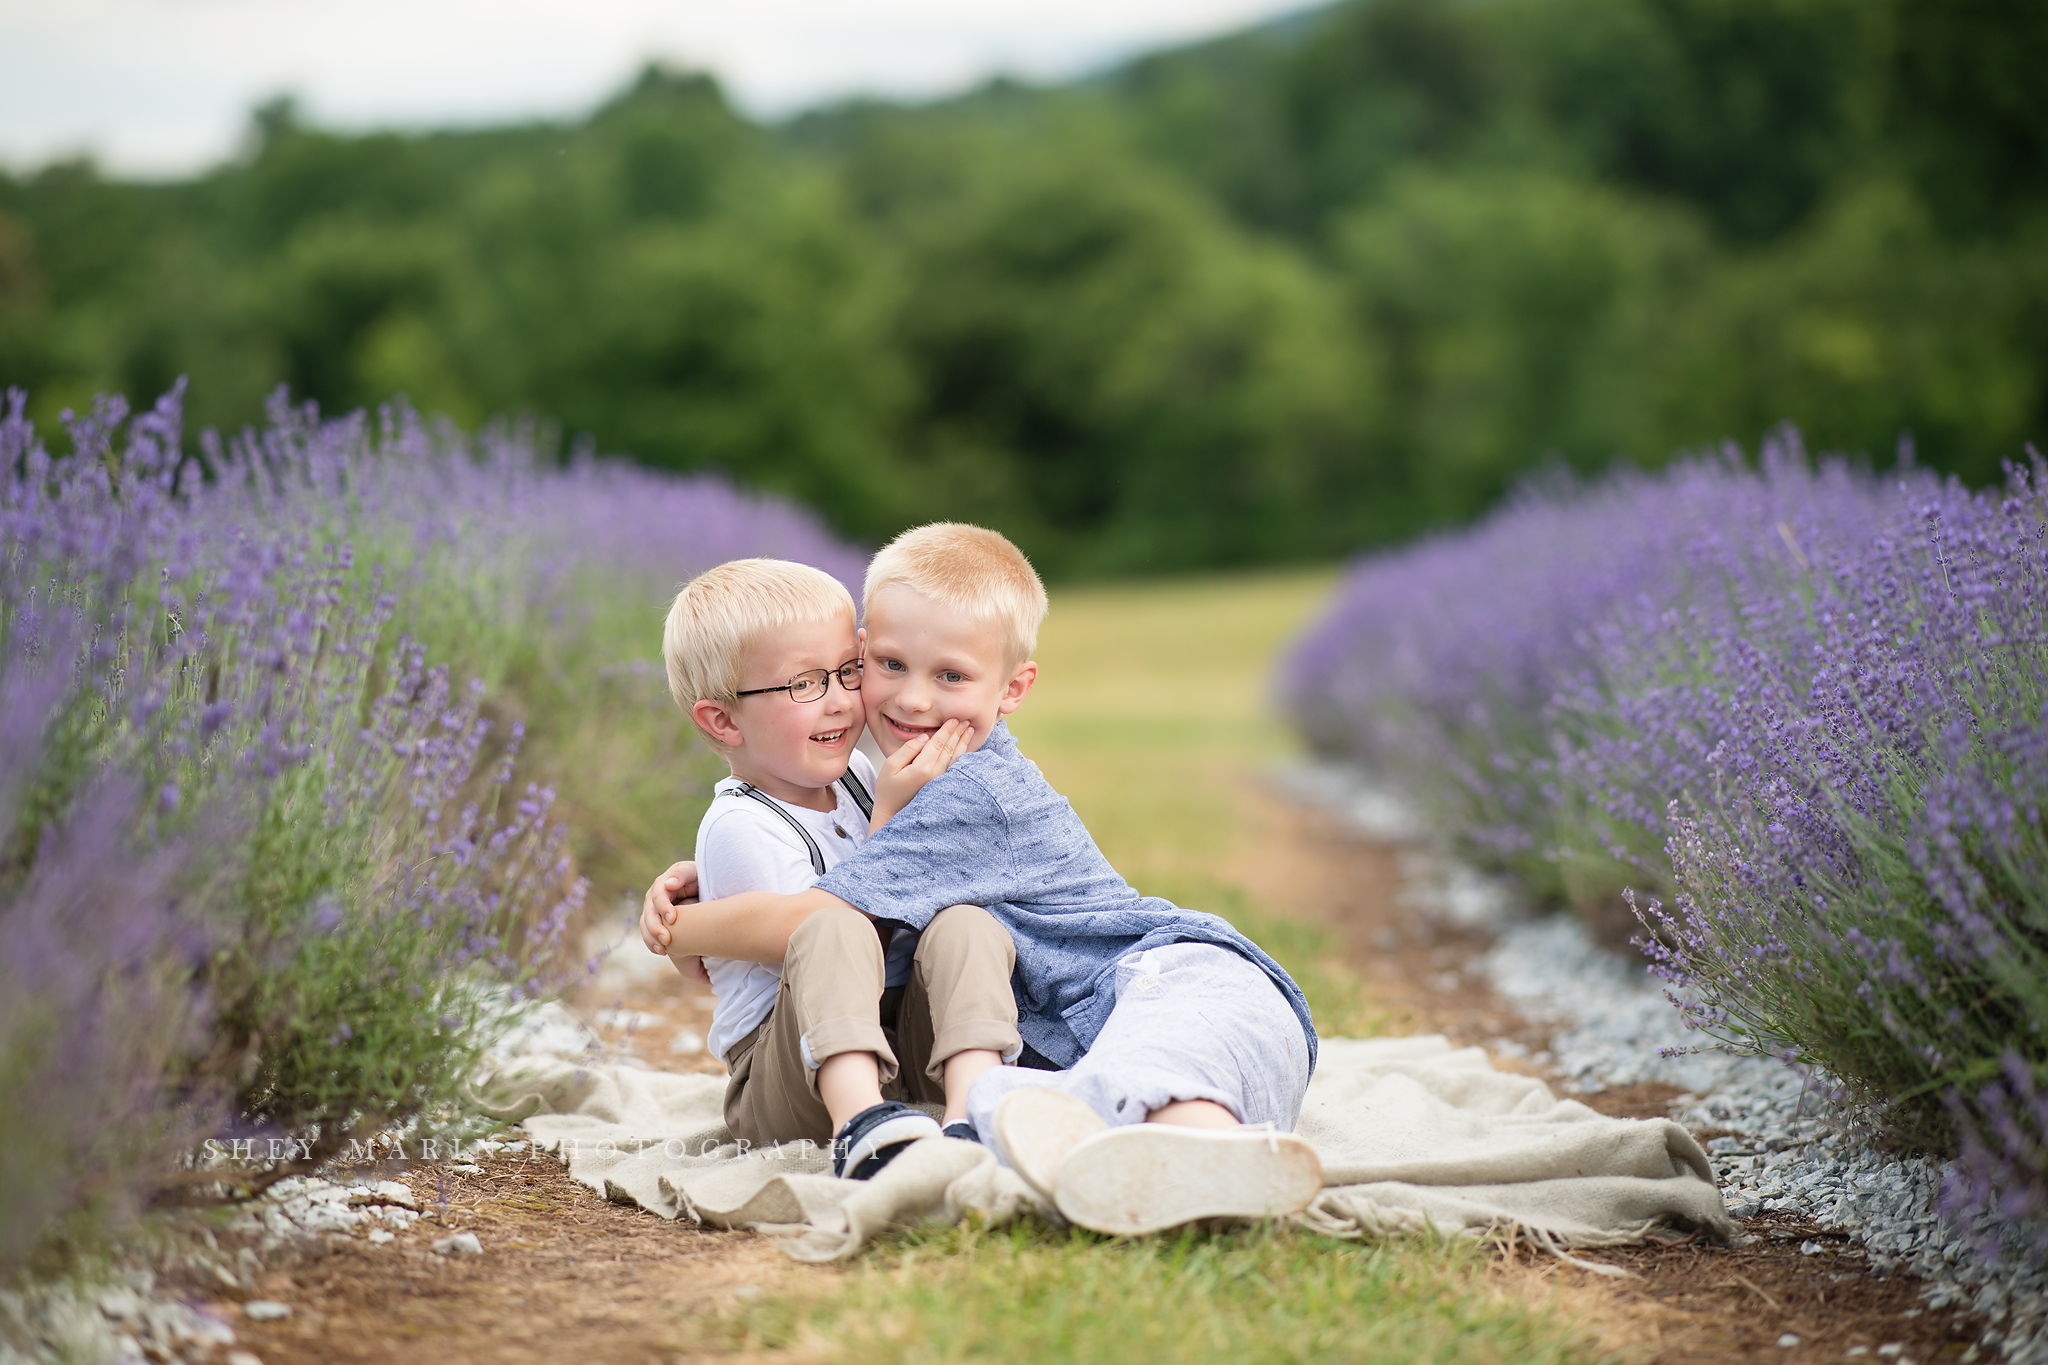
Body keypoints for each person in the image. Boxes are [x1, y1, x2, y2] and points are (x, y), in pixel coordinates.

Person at [643, 526, 1322, 1234]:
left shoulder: (962, 794)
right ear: (867, 643)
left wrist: (679, 926)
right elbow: (833, 901)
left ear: (1014, 687)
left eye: (951, 675)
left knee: (1154, 1070)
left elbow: (813, 915)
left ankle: (1190, 1161)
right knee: (1156, 1091)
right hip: (1121, 1009)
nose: (909, 699)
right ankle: (1189, 1168)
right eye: (887, 663)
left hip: (1170, 978)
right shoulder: (895, 781)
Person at [658, 558, 1022, 1181]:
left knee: (967, 922)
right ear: (723, 720)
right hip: (788, 1080)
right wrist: (890, 819)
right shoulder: (741, 828)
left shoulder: (852, 773)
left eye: (846, 672)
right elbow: (838, 927)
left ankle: (972, 1110)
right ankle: (862, 1130)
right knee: (832, 928)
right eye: (803, 685)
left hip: (889, 1042)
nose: (836, 703)